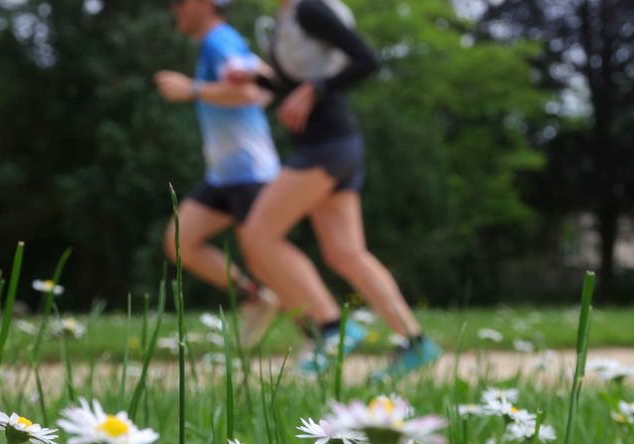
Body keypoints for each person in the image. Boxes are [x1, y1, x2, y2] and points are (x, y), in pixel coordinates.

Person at [230, 0, 442, 378]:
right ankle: (415, 342)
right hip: (332, 145)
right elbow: (289, 84)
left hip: (326, 147)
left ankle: (331, 329)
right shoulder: (285, 20)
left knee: (259, 234)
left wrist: (315, 90)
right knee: (346, 253)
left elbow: (365, 59)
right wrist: (255, 80)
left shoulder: (309, 9)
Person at [154, 0, 282, 347]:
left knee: (264, 256)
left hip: (249, 170)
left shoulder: (218, 41)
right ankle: (255, 298)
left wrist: (192, 89)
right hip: (225, 174)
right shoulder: (223, 41)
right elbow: (267, 85)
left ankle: (321, 330)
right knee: (181, 243)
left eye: (179, 3)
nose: (173, 10)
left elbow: (247, 91)